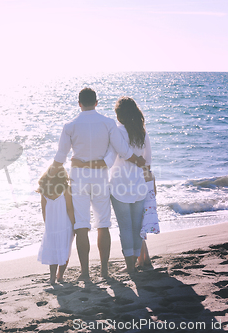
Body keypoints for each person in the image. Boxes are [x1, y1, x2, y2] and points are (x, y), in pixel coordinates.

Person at [51, 88, 146, 280]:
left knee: (82, 225)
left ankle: (85, 273)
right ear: (96, 102)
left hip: (79, 178)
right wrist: (138, 161)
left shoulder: (70, 125)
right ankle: (104, 271)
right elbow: (123, 151)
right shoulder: (108, 123)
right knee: (103, 224)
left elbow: (61, 156)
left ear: (79, 103)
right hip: (101, 177)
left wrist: (51, 171)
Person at [72, 96, 152, 274]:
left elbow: (109, 158)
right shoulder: (142, 133)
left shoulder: (116, 131)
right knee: (137, 226)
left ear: (118, 115)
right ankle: (142, 260)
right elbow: (148, 161)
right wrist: (149, 183)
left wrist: (84, 164)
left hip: (119, 186)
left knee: (125, 227)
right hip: (139, 185)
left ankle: (130, 265)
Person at [37, 166, 75, 285]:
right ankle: (61, 276)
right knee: (65, 250)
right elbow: (69, 209)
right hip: (65, 225)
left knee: (53, 251)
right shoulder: (66, 189)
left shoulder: (44, 190)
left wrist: (48, 225)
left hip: (51, 226)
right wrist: (74, 224)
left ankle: (52, 277)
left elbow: (43, 210)